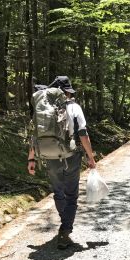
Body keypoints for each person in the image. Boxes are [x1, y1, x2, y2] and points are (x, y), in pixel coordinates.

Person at [27, 76, 96, 249]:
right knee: (71, 195)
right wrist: (91, 156)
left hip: (49, 156)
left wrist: (31, 158)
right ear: (66, 92)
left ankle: (64, 225)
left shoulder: (42, 108)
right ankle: (65, 231)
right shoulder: (73, 107)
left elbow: (34, 135)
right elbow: (83, 134)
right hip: (70, 156)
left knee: (58, 193)